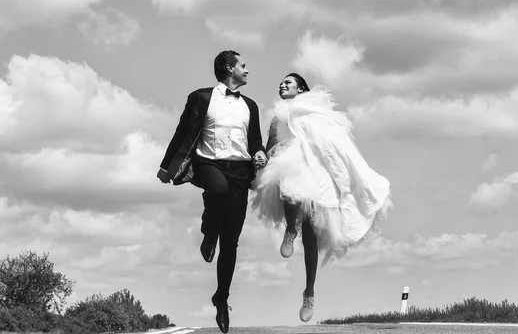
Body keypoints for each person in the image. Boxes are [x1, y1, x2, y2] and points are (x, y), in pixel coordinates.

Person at [251, 73, 392, 322]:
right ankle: (290, 230)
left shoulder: (316, 113)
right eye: (281, 83)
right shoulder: (277, 118)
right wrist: (262, 158)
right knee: (290, 183)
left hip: (316, 171)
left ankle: (309, 293)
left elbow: (334, 144)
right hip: (291, 165)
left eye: (289, 82)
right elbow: (269, 145)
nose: (282, 84)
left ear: (301, 89)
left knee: (312, 236)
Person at [157, 50, 267, 334]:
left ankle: (221, 300)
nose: (247, 69)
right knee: (216, 190)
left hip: (241, 172)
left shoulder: (251, 106)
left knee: (231, 242)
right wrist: (166, 166)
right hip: (209, 164)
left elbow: (255, 140)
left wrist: (259, 153)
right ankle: (209, 231)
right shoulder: (201, 97)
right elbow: (182, 132)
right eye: (243, 65)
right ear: (230, 68)